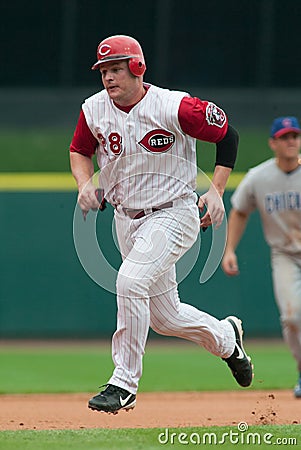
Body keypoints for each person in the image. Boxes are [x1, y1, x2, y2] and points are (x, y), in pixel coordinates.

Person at [70, 34, 253, 414]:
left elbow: (228, 135)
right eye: (104, 70)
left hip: (173, 212)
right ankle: (227, 338)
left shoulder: (174, 106)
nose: (108, 77)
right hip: (127, 219)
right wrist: (84, 184)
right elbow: (79, 150)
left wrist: (217, 190)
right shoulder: (93, 109)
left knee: (130, 281)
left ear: (137, 67)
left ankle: (123, 383)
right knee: (165, 318)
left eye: (116, 68)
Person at [222, 116, 301, 398]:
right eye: (284, 137)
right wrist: (229, 249)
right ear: (272, 143)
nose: (291, 141)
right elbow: (240, 210)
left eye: (295, 136)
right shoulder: (259, 176)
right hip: (284, 255)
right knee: (292, 317)